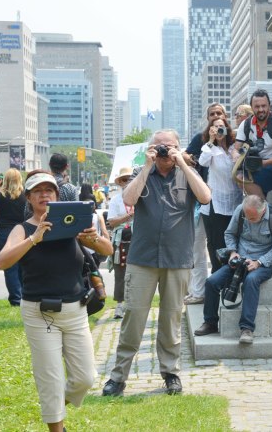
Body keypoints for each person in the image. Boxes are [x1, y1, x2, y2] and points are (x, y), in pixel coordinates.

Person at [0, 170, 112, 432]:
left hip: (75, 311)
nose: (44, 195)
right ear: (28, 198)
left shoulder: (73, 223)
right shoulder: (22, 229)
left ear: (57, 196)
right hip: (39, 313)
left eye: (49, 190)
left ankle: (54, 406)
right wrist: (33, 239)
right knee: (50, 379)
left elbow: (107, 250)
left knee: (85, 378)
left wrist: (92, 238)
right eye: (37, 191)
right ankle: (56, 425)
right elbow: (3, 261)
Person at [102, 129, 211, 397]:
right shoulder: (144, 175)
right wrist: (147, 165)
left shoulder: (186, 173)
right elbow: (128, 200)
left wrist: (183, 162)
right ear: (151, 149)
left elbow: (206, 197)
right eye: (159, 147)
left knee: (171, 319)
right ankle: (118, 377)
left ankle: (171, 373)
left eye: (170, 146)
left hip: (177, 259)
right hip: (143, 259)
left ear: (178, 148)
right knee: (133, 318)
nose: (165, 152)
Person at [194, 195, 272, 344]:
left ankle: (247, 328)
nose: (248, 220)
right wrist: (233, 252)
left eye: (252, 218)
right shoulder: (240, 211)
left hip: (262, 263)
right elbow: (229, 233)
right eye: (246, 217)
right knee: (211, 282)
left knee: (251, 280)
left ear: (262, 212)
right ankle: (210, 322)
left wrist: (258, 262)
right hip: (239, 259)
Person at [183, 103, 227, 305]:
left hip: (226, 201)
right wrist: (191, 158)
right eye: (212, 114)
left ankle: (220, 287)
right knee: (197, 247)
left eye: (219, 114)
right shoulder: (200, 139)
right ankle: (198, 291)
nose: (216, 117)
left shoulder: (232, 139)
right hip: (202, 202)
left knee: (219, 245)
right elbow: (187, 156)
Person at [198, 117, 243, 275]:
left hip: (235, 200)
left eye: (221, 127)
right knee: (217, 242)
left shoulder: (233, 148)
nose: (218, 130)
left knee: (232, 241)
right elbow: (202, 162)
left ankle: (233, 274)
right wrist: (211, 140)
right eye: (215, 127)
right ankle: (218, 275)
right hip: (215, 204)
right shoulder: (210, 148)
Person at [0, 168, 27, 306]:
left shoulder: (0, 195)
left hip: (5, 233)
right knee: (23, 265)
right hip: (22, 232)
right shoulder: (25, 195)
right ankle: (25, 296)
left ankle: (16, 299)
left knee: (10, 265)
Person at [235, 89, 272, 198]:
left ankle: (262, 207)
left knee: (245, 178)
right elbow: (236, 149)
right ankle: (262, 206)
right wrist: (236, 156)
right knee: (239, 177)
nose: (261, 109)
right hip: (253, 167)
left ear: (269, 106)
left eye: (264, 106)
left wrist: (264, 163)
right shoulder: (246, 124)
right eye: (257, 106)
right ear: (251, 107)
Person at [107, 167, 134, 319]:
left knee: (139, 273)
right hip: (121, 241)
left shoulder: (140, 196)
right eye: (124, 180)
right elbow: (111, 222)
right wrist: (128, 216)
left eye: (130, 179)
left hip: (139, 240)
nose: (127, 182)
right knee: (120, 273)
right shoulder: (116, 200)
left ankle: (134, 305)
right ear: (120, 182)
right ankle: (119, 305)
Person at [79, 185, 109, 269]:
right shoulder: (98, 216)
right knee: (94, 274)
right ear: (94, 206)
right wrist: (107, 244)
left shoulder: (79, 217)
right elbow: (104, 232)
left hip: (80, 251)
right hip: (94, 249)